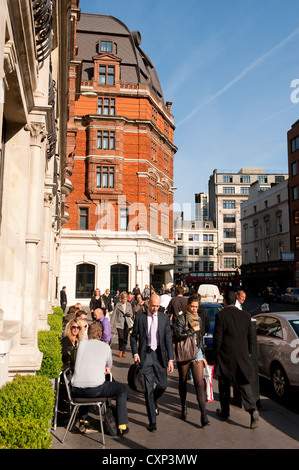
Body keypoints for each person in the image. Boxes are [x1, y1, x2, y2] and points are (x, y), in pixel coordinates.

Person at [71, 321, 129, 437]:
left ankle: (83, 420)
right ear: (101, 334)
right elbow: (109, 365)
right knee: (121, 389)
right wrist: (105, 367)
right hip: (94, 389)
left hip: (75, 389)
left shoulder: (81, 344)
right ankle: (122, 425)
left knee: (86, 382)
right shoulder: (105, 346)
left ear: (88, 332)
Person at [213, 290, 259, 429]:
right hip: (242, 356)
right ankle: (253, 411)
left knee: (224, 385)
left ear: (226, 301)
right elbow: (250, 337)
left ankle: (225, 412)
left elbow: (218, 339)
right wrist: (249, 352)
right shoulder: (246, 315)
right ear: (236, 301)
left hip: (226, 357)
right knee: (244, 385)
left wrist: (216, 355)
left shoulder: (221, 315)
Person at [130, 293, 174, 432]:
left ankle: (154, 400)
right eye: (153, 305)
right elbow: (133, 337)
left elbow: (168, 339)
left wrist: (171, 359)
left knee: (162, 385)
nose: (155, 308)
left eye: (157, 306)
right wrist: (135, 353)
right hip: (146, 355)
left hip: (160, 355)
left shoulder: (163, 318)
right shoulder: (140, 317)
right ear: (148, 303)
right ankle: (152, 422)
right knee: (148, 389)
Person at [173, 294, 210, 427]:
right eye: (192, 306)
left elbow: (200, 338)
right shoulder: (181, 318)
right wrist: (191, 331)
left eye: (196, 307)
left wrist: (204, 356)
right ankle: (183, 407)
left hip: (197, 352)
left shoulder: (199, 318)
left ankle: (203, 415)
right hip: (184, 351)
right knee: (183, 379)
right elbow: (178, 335)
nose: (194, 309)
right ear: (188, 306)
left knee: (199, 383)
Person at [113, 292, 134, 358]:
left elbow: (132, 314)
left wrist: (129, 313)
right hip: (119, 323)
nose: (124, 300)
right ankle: (120, 350)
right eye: (123, 299)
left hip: (127, 323)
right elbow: (114, 314)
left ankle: (124, 350)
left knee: (125, 337)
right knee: (121, 337)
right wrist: (111, 324)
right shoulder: (118, 305)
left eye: (125, 299)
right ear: (121, 299)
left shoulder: (129, 305)